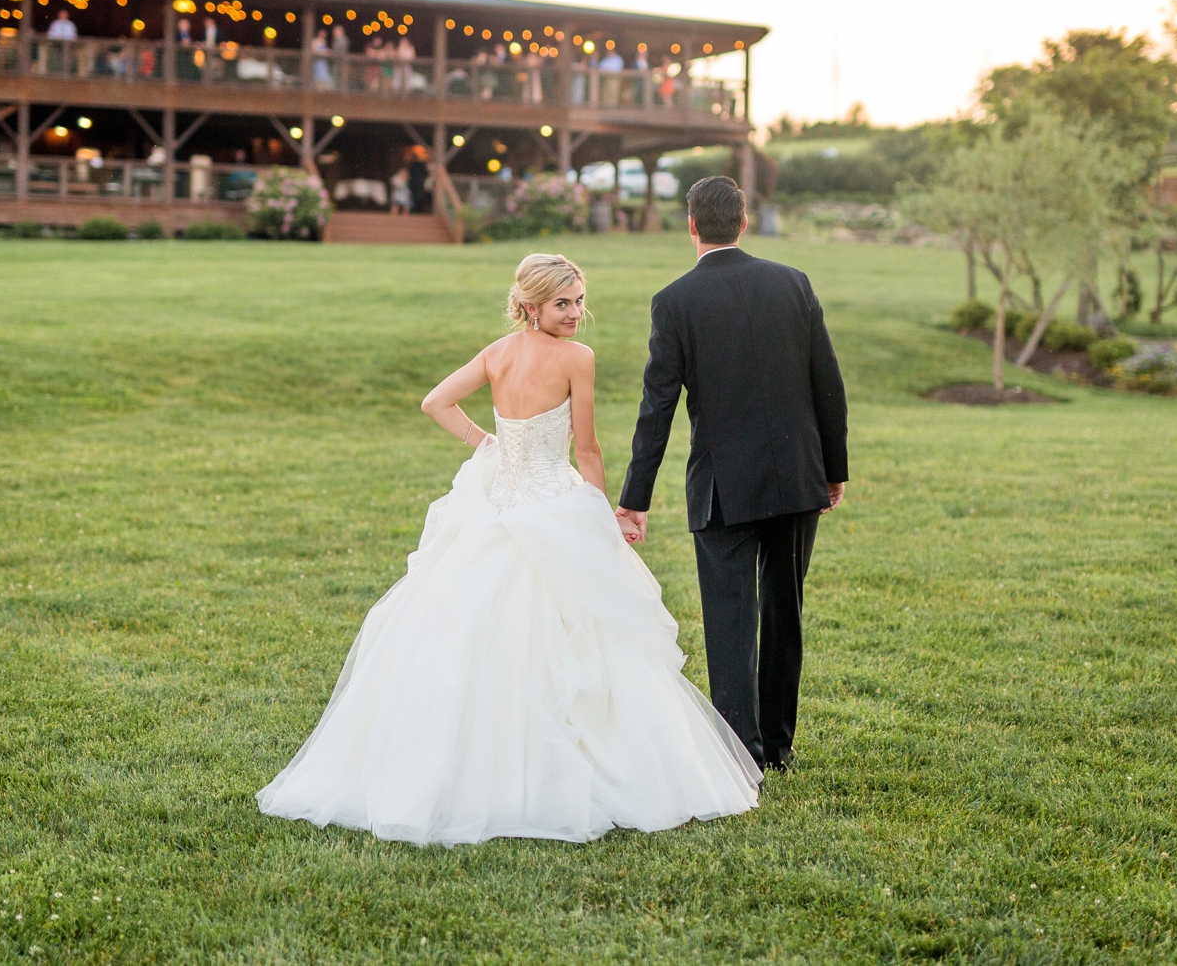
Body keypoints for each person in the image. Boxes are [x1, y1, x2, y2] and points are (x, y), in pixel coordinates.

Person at [257, 254, 760, 845]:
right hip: (550, 501)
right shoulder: (577, 360)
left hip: (498, 503)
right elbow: (589, 447)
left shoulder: (498, 353)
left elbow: (435, 402)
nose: (575, 314)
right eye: (562, 304)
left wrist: (484, 441)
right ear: (530, 305)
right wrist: (599, 516)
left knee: (470, 628)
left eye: (578, 301)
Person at [616, 177, 848, 774]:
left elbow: (656, 408)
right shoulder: (792, 283)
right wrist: (834, 469)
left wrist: (634, 498)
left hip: (723, 487)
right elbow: (829, 383)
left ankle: (737, 752)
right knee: (784, 610)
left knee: (729, 620)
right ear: (743, 222)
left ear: (691, 226)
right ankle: (778, 748)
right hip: (798, 476)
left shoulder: (674, 301)